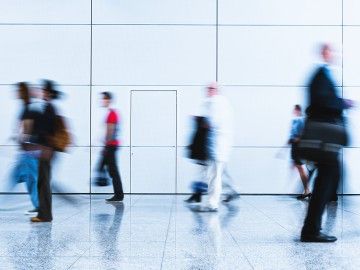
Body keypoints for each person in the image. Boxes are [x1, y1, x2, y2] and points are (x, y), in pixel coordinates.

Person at [300, 44, 352, 242]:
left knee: (331, 180)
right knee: (326, 182)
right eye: (330, 51)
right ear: (324, 53)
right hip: (325, 140)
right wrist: (342, 103)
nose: (334, 54)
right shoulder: (320, 74)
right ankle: (311, 230)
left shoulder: (322, 74)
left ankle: (311, 229)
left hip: (326, 141)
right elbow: (322, 101)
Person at [197, 83, 239, 212]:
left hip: (216, 145)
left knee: (214, 175)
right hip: (221, 146)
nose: (207, 91)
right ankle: (232, 190)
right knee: (218, 173)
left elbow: (212, 122)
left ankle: (213, 203)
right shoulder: (224, 104)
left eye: (210, 89)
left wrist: (200, 121)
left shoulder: (215, 103)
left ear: (215, 90)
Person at [10, 82, 41, 214]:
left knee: (20, 177)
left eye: (18, 90)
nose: (16, 93)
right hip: (30, 149)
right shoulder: (28, 107)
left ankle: (39, 205)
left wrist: (21, 139)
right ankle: (38, 205)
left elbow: (27, 128)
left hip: (29, 150)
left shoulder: (27, 108)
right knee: (30, 178)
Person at [31, 80, 58, 222]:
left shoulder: (49, 108)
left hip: (45, 150)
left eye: (43, 90)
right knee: (43, 181)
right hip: (45, 149)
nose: (41, 92)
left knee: (44, 182)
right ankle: (44, 213)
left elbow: (47, 131)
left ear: (48, 92)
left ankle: (45, 215)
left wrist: (46, 147)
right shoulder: (49, 107)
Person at [96, 92, 124, 203]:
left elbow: (110, 131)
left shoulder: (111, 114)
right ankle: (118, 194)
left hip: (111, 146)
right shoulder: (112, 113)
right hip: (111, 145)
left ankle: (119, 195)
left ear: (108, 100)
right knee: (111, 170)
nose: (102, 101)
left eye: (104, 99)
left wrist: (106, 146)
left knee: (112, 171)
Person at [288, 105, 311, 200]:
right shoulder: (299, 119)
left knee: (301, 168)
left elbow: (301, 133)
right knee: (301, 168)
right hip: (297, 146)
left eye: (294, 110)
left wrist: (297, 139)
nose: (293, 111)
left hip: (298, 146)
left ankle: (307, 190)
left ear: (297, 110)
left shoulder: (299, 120)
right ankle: (307, 190)